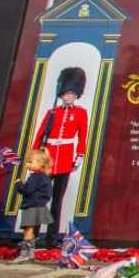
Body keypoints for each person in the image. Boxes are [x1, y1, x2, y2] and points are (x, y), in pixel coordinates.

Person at [32, 66, 88, 246]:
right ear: (61, 94)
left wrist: (79, 155)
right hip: (48, 159)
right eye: (66, 93)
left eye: (72, 93)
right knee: (41, 199)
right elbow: (40, 135)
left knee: (57, 201)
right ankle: (32, 235)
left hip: (64, 160)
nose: (69, 96)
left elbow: (82, 135)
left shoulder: (80, 113)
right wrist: (36, 158)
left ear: (76, 94)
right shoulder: (52, 113)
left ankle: (51, 237)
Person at [12, 149, 53, 262]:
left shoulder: (35, 177)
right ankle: (31, 254)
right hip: (40, 206)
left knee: (28, 231)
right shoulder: (45, 177)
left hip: (32, 206)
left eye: (30, 162)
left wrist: (19, 184)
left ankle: (24, 254)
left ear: (41, 164)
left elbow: (27, 190)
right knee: (33, 231)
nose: (27, 165)